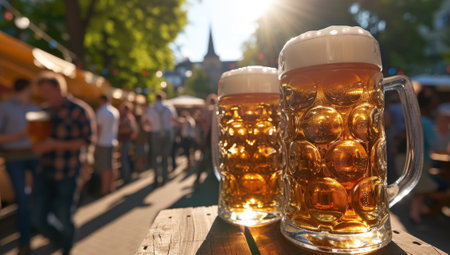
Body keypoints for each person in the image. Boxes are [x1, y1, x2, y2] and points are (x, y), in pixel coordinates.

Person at [32, 72, 95, 255]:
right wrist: (38, 147)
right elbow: (35, 142)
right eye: (41, 91)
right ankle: (59, 239)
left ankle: (66, 249)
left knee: (64, 216)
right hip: (45, 171)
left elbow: (87, 141)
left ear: (59, 89)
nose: (44, 95)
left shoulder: (80, 110)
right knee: (37, 217)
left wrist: (56, 145)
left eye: (47, 91)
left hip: (68, 172)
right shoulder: (43, 112)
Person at [0, 79, 40, 255]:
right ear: (28, 88)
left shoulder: (36, 108)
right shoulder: (5, 108)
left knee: (39, 195)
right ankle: (25, 242)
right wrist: (21, 135)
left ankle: (36, 225)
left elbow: (41, 136)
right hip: (15, 158)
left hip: (35, 157)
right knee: (22, 199)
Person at [145, 92, 174, 185]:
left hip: (156, 134)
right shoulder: (169, 108)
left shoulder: (151, 109)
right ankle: (165, 177)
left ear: (155, 98)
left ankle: (156, 178)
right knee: (165, 157)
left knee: (155, 156)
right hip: (167, 133)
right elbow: (173, 120)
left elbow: (148, 123)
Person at [95, 95, 119, 195]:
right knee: (111, 165)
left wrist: (95, 141)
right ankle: (111, 187)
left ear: (101, 100)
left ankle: (104, 190)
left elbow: (98, 128)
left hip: (103, 142)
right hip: (112, 140)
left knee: (104, 167)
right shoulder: (115, 111)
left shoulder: (101, 111)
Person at [194, 94, 217, 186]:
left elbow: (199, 121)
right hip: (217, 137)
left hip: (208, 137)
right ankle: (212, 176)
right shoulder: (218, 110)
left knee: (204, 157)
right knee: (214, 157)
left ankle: (198, 178)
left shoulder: (208, 110)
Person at [117, 102, 138, 183]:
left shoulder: (128, 118)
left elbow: (130, 130)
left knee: (125, 159)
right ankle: (127, 175)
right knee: (127, 158)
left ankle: (127, 176)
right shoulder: (127, 117)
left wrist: (118, 131)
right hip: (127, 141)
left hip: (127, 142)